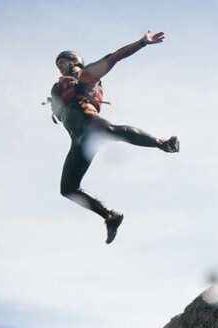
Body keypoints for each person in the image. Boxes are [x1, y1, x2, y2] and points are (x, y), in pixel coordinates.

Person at [48, 30, 180, 244]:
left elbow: (114, 57)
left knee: (110, 130)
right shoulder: (61, 89)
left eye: (63, 62)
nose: (60, 66)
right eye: (57, 64)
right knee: (68, 188)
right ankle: (110, 216)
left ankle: (163, 143)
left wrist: (142, 43)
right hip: (78, 141)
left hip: (89, 123)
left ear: (75, 62)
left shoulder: (86, 74)